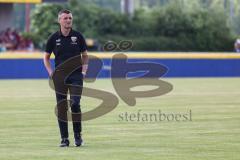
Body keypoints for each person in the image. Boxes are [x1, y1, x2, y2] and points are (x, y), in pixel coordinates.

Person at [43, 9, 88, 147]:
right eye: (65, 18)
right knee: (62, 108)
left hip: (76, 77)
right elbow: (46, 57)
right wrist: (51, 72)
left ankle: (78, 136)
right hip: (60, 78)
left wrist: (84, 72)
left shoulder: (78, 36)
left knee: (75, 104)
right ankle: (64, 139)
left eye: (70, 18)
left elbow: (85, 55)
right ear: (59, 21)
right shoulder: (53, 38)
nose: (68, 20)